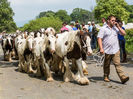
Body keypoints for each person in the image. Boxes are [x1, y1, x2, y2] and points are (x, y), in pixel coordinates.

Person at [97, 15, 129, 84]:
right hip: (107, 50)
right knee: (106, 64)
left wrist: (118, 27)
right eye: (112, 20)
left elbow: (124, 33)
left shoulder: (116, 28)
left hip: (115, 49)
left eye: (115, 20)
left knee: (118, 64)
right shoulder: (103, 29)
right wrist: (101, 48)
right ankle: (106, 76)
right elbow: (99, 38)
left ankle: (122, 77)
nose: (114, 22)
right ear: (108, 21)